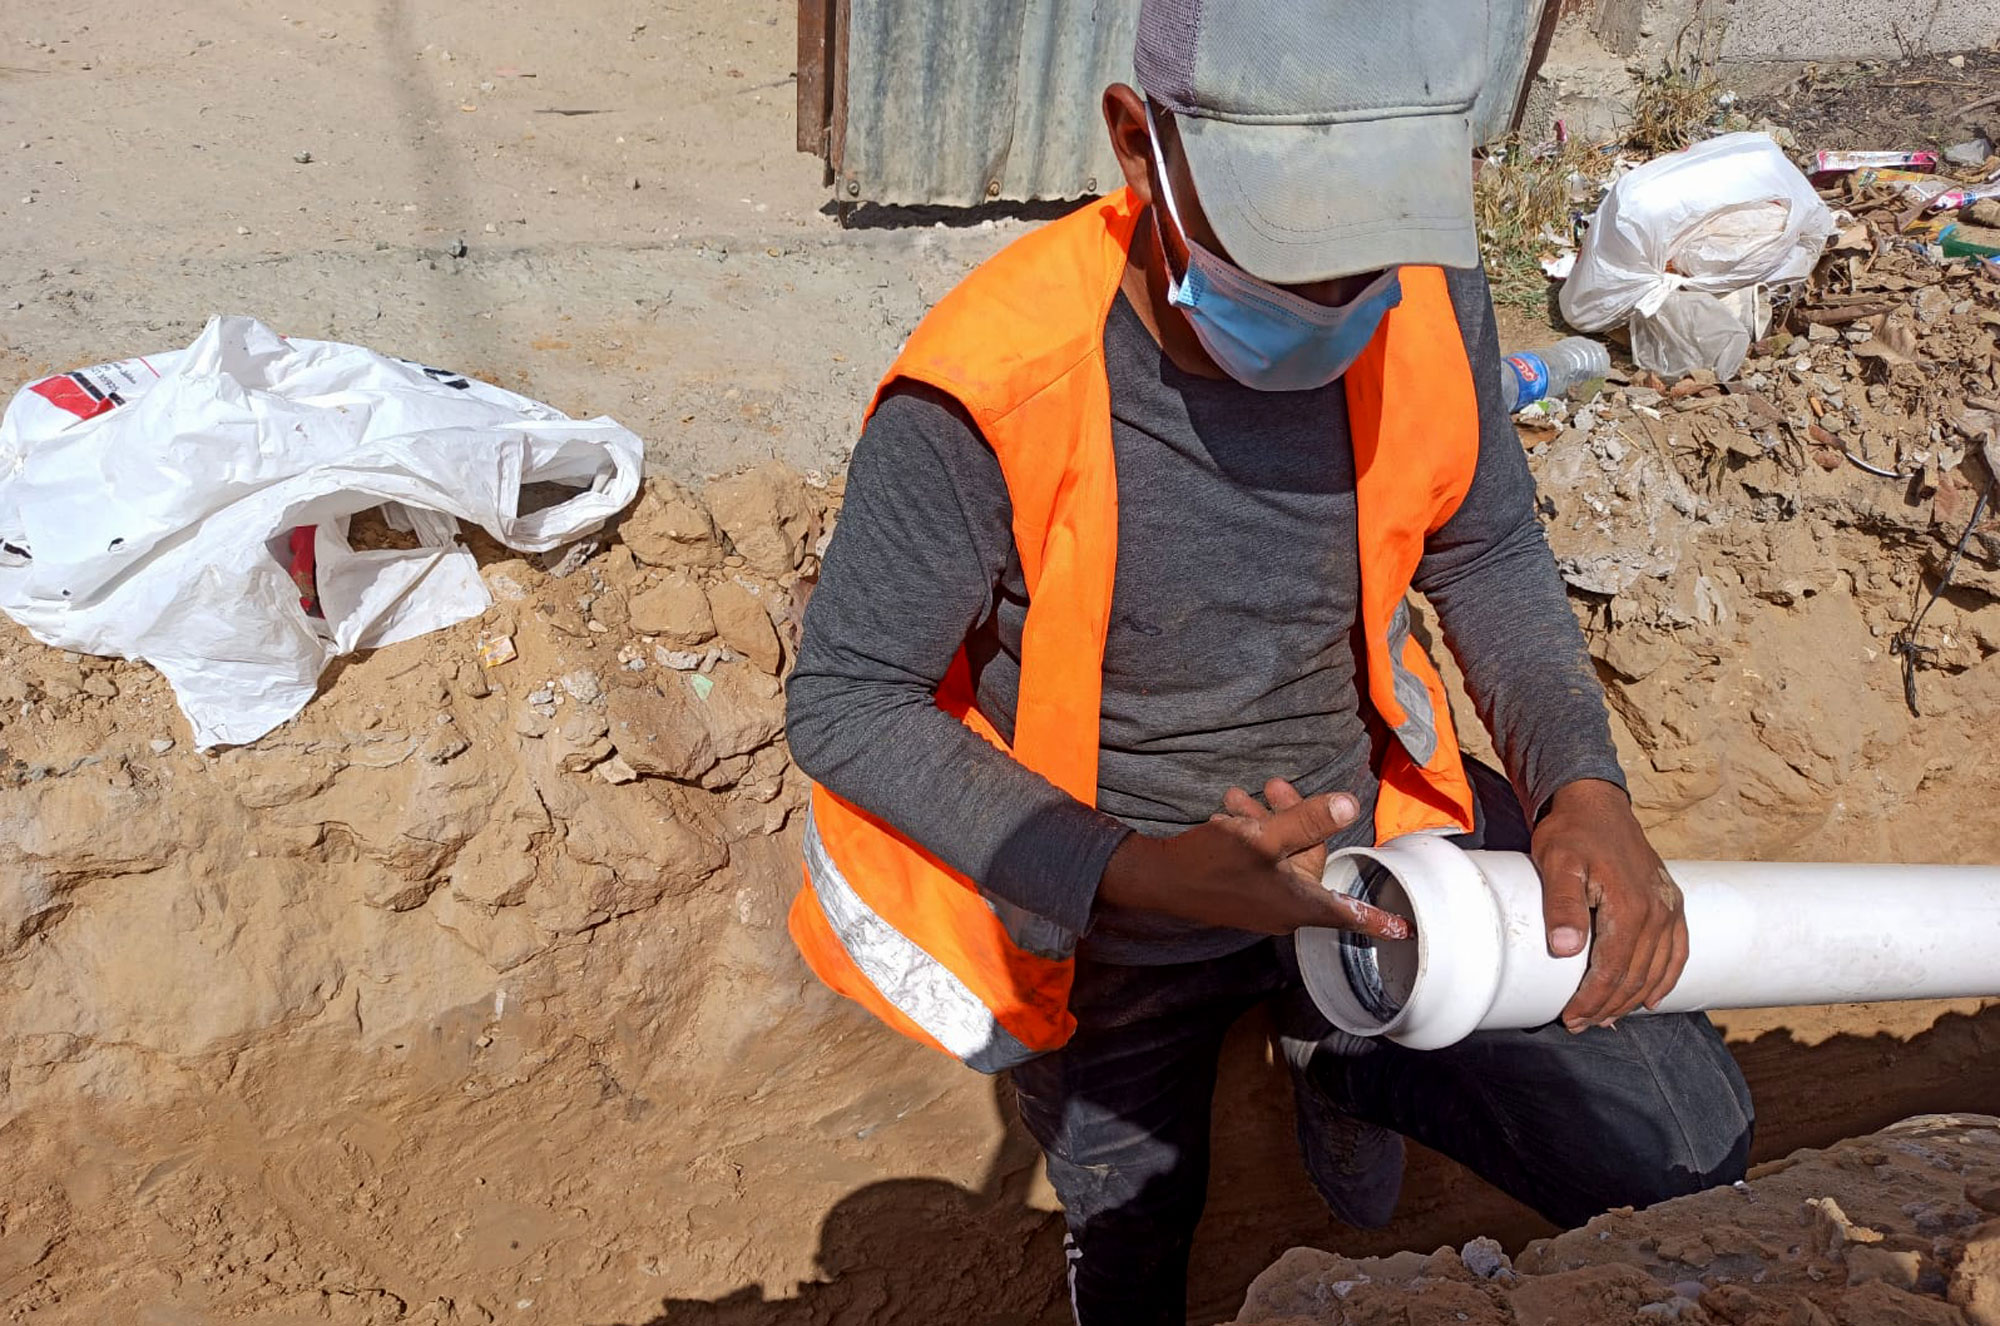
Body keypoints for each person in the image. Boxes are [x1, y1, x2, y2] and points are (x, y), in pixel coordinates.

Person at [784, 1, 1755, 1321]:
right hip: (1116, 916)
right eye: (1287, 249)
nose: (1336, 302)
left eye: (1365, 264)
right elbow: (847, 697)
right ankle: (1235, 1084)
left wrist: (1581, 782)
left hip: (1370, 853)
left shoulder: (1421, 293)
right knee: (1134, 1238)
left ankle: (1338, 1056)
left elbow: (1486, 547)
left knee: (1685, 1144)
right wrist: (1128, 871)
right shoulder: (991, 388)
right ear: (1143, 147)